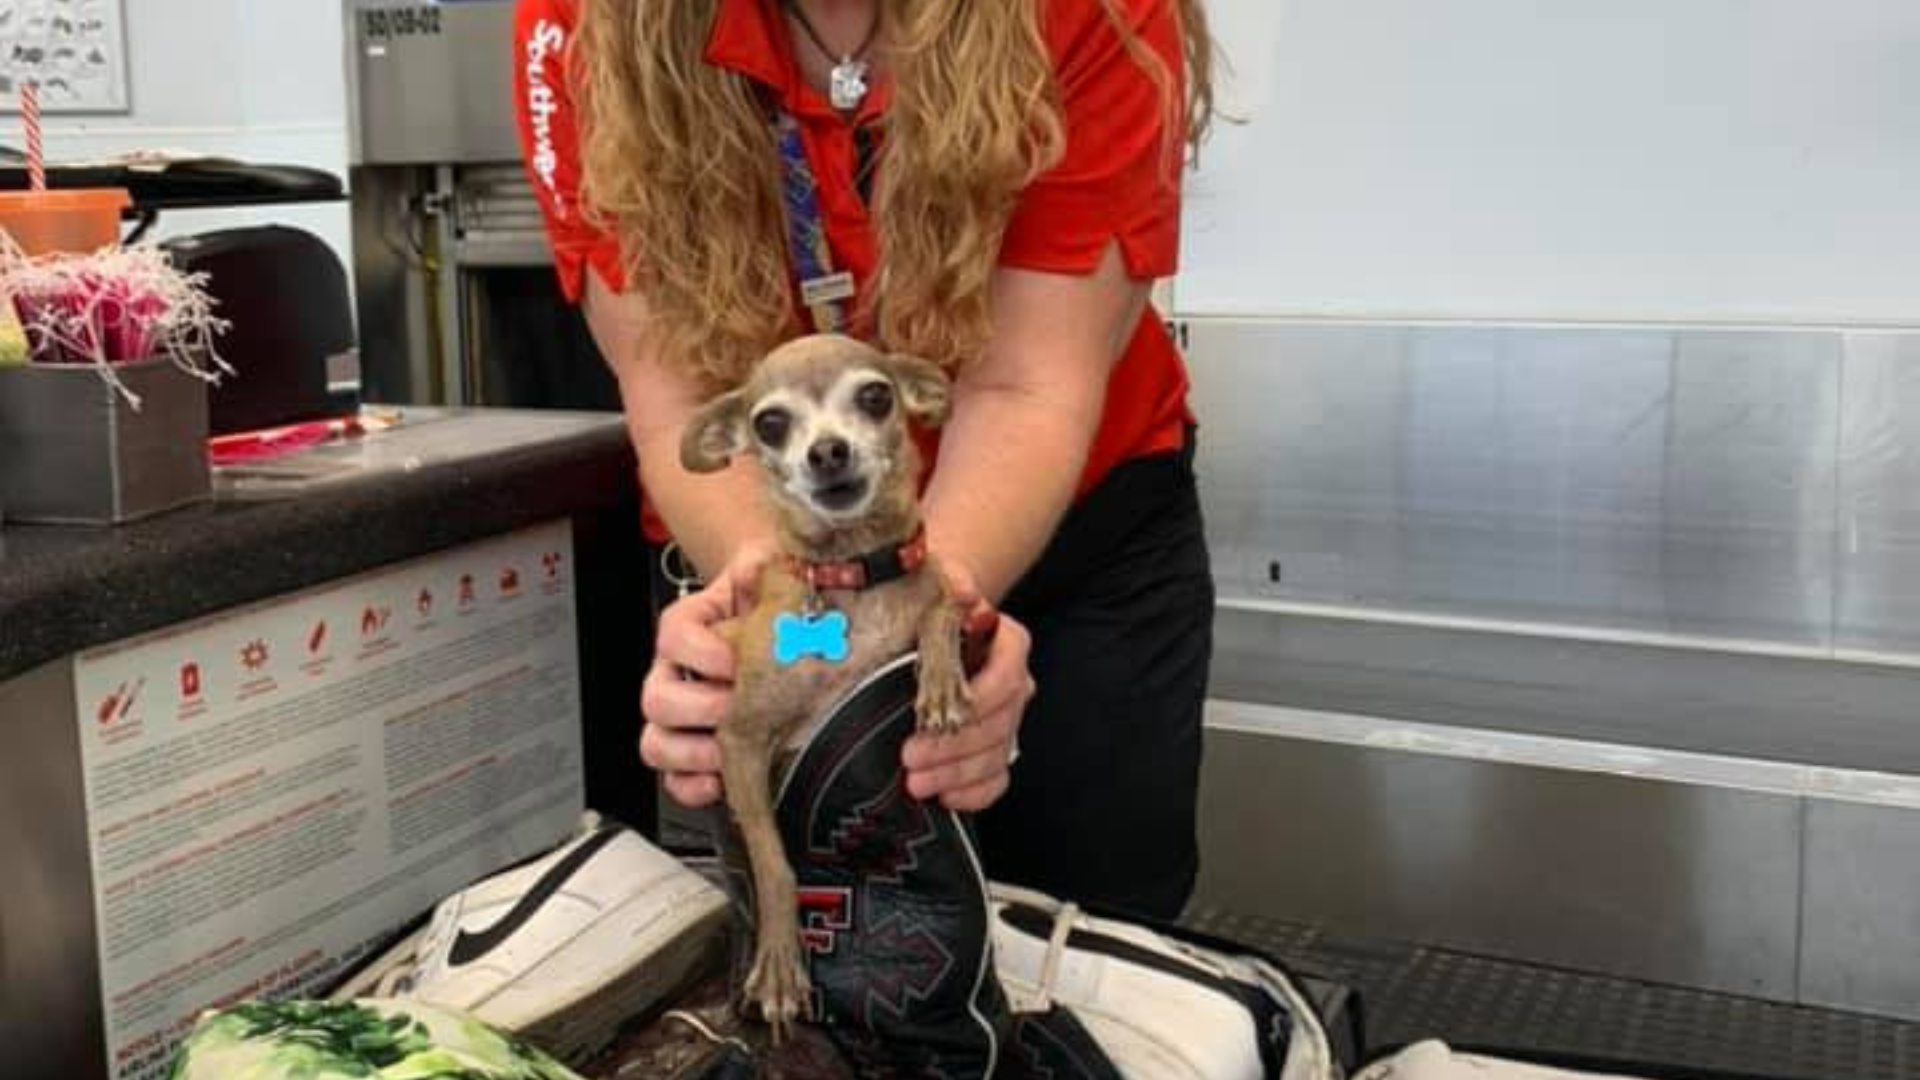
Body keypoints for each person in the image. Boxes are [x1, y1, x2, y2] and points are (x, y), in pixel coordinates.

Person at [512, 0, 1216, 921]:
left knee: (1081, 937)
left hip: (1069, 545)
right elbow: (677, 397)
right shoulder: (587, 21)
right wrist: (794, 622)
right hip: (763, 543)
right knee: (815, 935)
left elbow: (1022, 387)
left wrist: (924, 621)